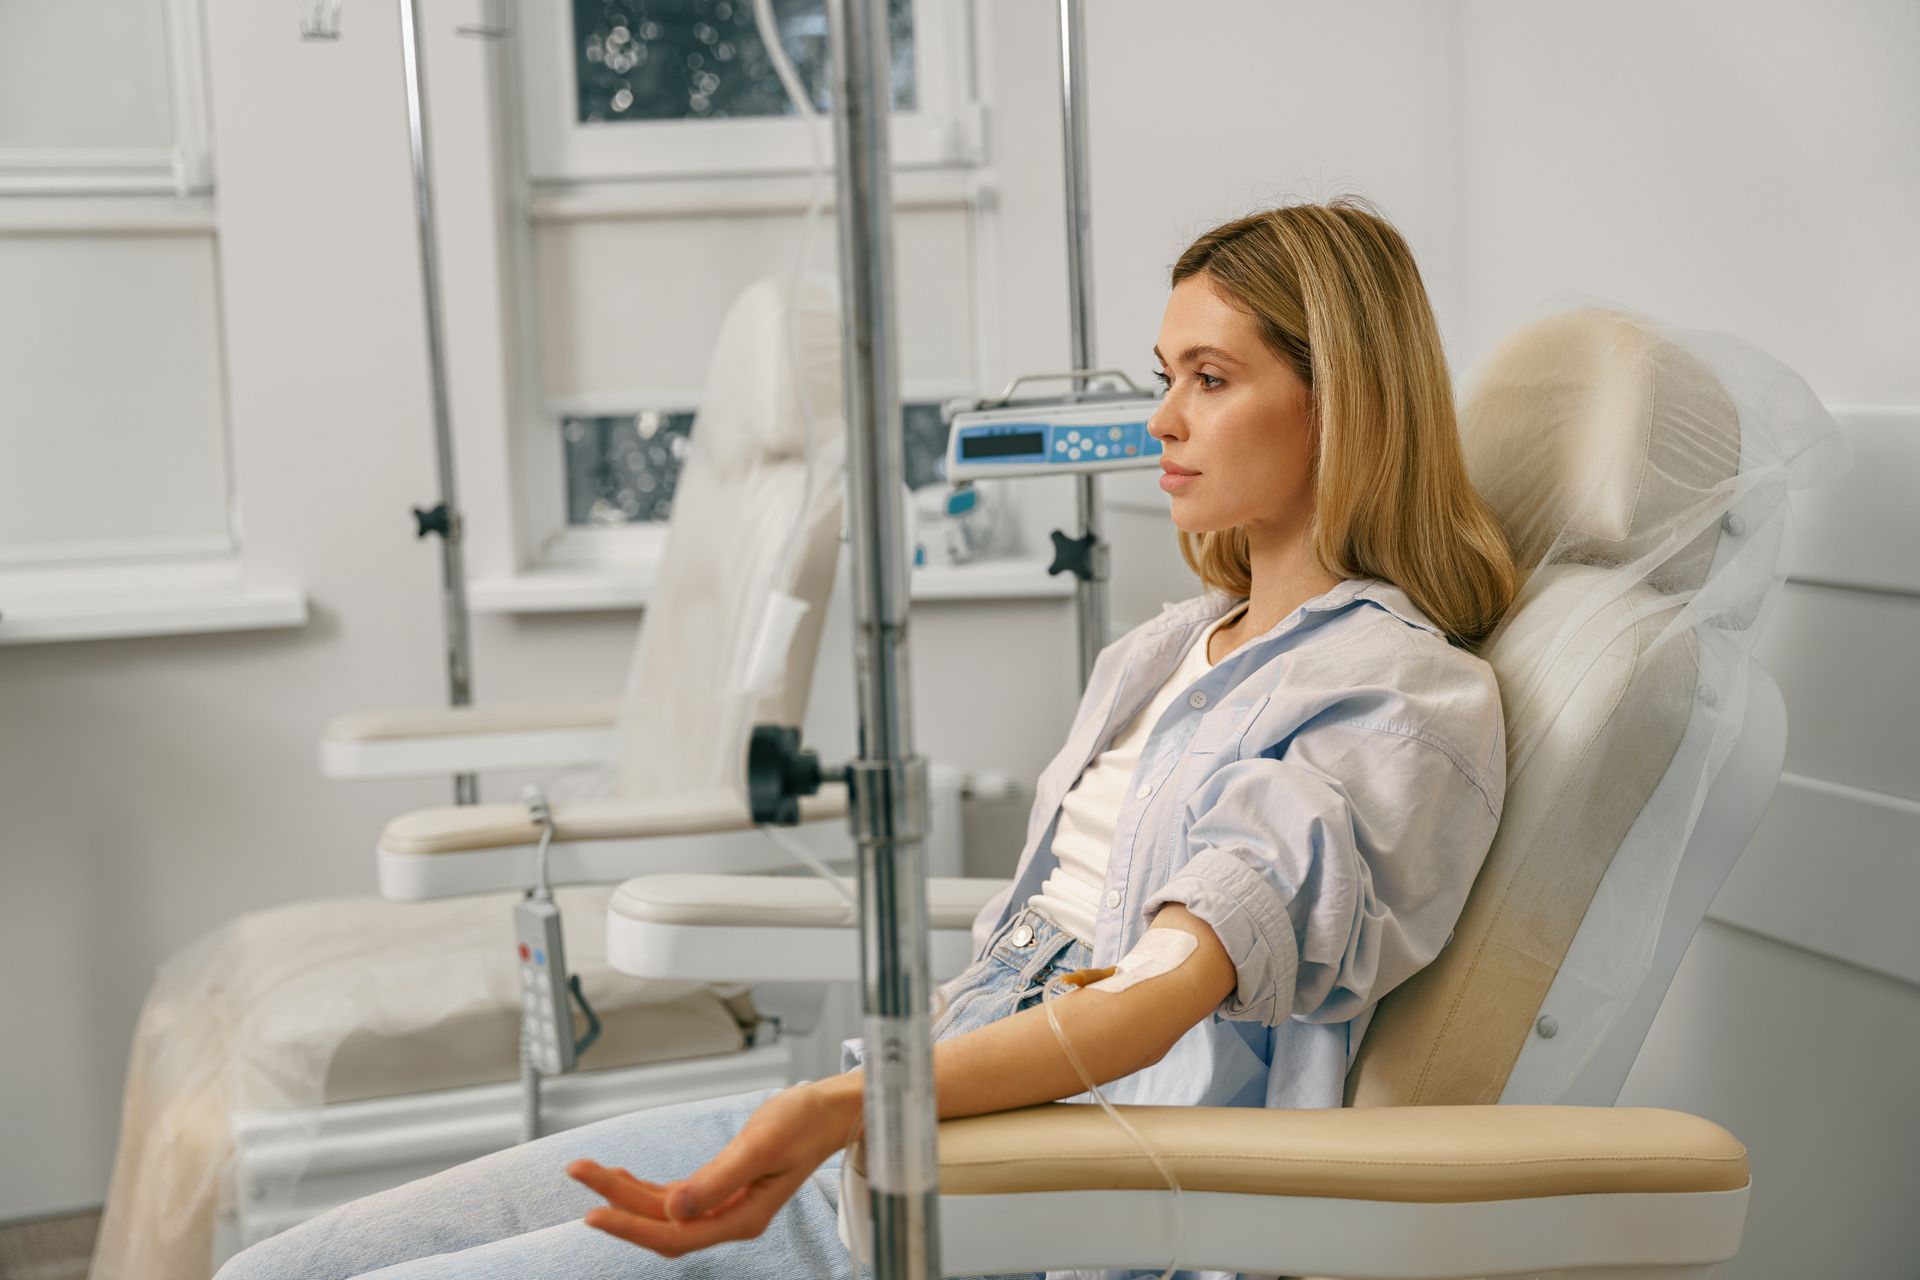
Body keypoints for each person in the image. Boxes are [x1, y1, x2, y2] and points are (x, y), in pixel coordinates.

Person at [214, 196, 1517, 1280]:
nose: (1161, 418)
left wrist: (839, 1108)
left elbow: (1147, 1003)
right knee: (280, 1269)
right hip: (915, 1103)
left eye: (1211, 379)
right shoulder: (1164, 650)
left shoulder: (1398, 697)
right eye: (1165, 374)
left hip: (1029, 1190)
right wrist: (851, 1101)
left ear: (1341, 404)